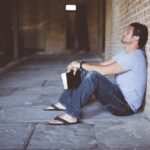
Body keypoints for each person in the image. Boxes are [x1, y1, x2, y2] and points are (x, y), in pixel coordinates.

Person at [45, 22, 148, 125]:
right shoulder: (125, 53)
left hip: (126, 107)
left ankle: (71, 115)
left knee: (93, 76)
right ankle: (64, 102)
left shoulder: (135, 57)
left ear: (136, 38)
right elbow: (101, 64)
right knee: (86, 70)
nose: (124, 33)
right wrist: (80, 64)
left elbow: (104, 71)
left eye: (128, 31)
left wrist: (80, 65)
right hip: (118, 95)